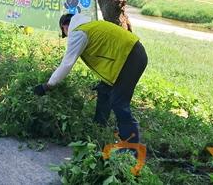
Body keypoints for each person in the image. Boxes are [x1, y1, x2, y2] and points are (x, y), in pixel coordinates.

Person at [34, 13, 148, 143]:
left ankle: (131, 145)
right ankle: (98, 129)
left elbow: (66, 64)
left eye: (65, 32)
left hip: (131, 58)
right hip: (129, 56)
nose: (67, 36)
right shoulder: (88, 27)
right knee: (104, 90)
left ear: (65, 26)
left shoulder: (79, 32)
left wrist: (48, 85)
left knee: (119, 102)